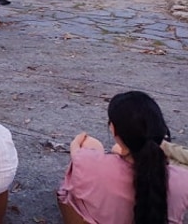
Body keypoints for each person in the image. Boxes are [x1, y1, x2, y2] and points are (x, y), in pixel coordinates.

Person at [58, 90, 188, 223]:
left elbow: (77, 153)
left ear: (113, 129)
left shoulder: (87, 164)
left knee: (90, 147)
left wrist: (78, 143)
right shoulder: (183, 181)